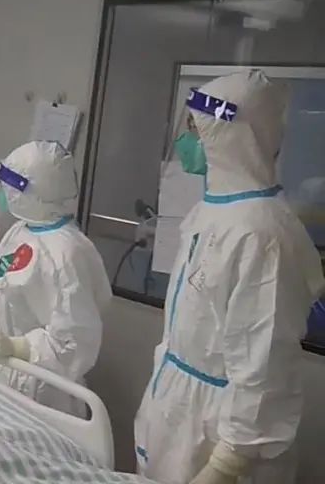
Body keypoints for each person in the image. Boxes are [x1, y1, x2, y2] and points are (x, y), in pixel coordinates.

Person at [134, 70, 325, 484]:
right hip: (179, 409)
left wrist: (226, 464)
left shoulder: (262, 234)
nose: (187, 142)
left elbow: (263, 364)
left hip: (223, 437)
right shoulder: (213, 211)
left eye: (196, 130)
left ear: (229, 136)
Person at [0, 140, 112, 415]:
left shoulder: (65, 253)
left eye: (11, 185)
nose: (4, 192)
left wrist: (19, 346)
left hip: (41, 386)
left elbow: (74, 340)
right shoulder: (20, 232)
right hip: (2, 372)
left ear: (37, 192)